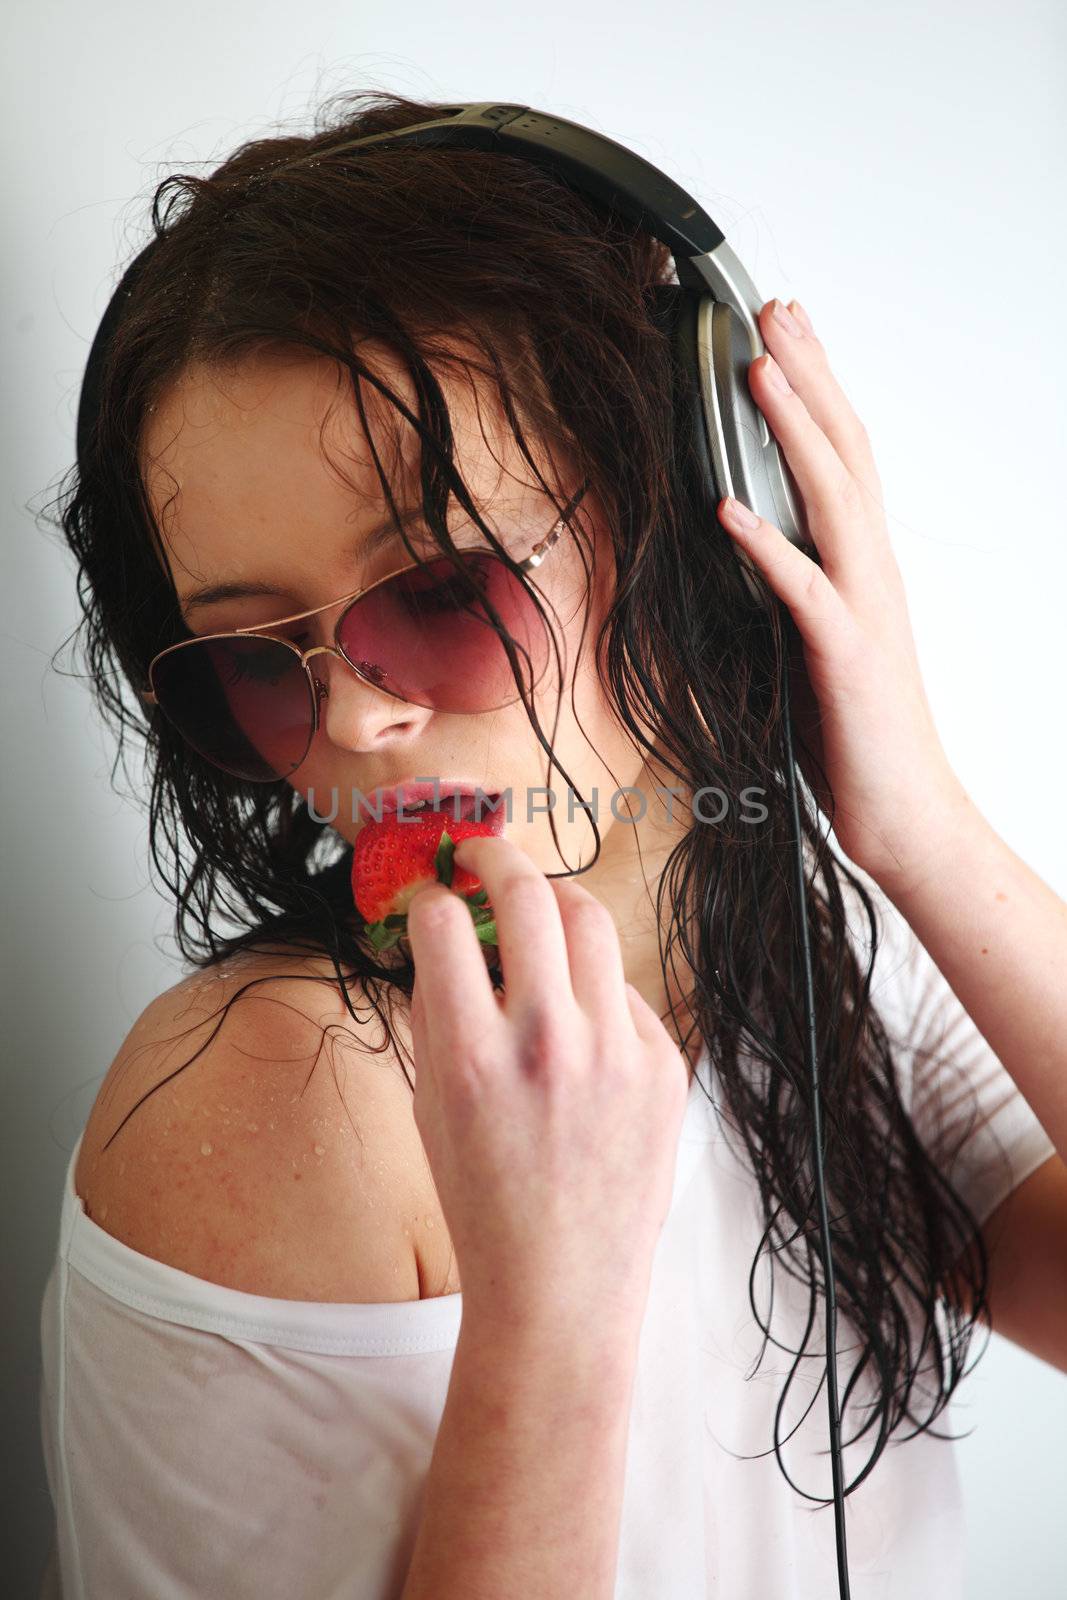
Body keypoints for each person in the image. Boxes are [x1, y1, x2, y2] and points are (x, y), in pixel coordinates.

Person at [37, 88, 1066, 1600]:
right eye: (253, 662)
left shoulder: (818, 947)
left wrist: (913, 818)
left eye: (441, 592)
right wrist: (555, 1309)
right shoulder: (285, 1086)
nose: (356, 725)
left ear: (706, 527)